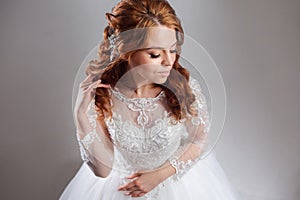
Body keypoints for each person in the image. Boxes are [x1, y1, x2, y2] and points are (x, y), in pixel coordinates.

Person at [60, 0, 238, 199]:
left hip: (176, 186)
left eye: (172, 50)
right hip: (119, 190)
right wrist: (81, 115)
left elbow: (198, 141)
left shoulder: (183, 88)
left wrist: (158, 176)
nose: (169, 62)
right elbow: (103, 170)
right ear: (126, 51)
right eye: (155, 54)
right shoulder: (103, 96)